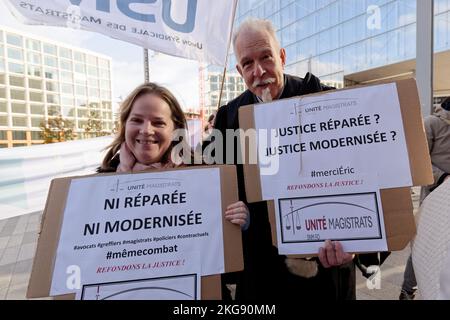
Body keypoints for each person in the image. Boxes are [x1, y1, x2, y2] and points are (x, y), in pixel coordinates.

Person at [214, 18, 386, 300]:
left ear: (281, 56)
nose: (259, 71)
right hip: (262, 272)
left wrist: (357, 240)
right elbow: (219, 192)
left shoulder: (324, 101)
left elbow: (369, 176)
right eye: (247, 63)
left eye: (266, 57)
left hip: (323, 269)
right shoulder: (228, 118)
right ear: (239, 70)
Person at [98, 83, 249, 298]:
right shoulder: (95, 188)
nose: (146, 130)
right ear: (124, 124)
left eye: (158, 122)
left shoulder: (204, 177)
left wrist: (239, 224)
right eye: (137, 120)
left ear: (175, 128)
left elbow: (226, 262)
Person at [399, 97, 450, 300]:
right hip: (434, 198)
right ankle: (408, 290)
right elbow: (419, 162)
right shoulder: (431, 123)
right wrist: (443, 178)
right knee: (424, 244)